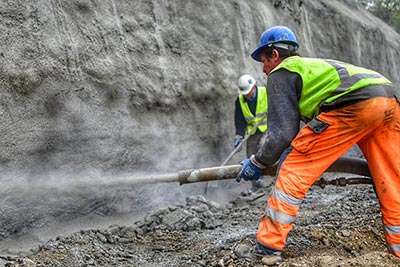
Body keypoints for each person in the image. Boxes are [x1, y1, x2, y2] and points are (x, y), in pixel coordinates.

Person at [238, 25, 400, 262]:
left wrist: (258, 161)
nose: (263, 70)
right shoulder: (314, 68)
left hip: (353, 106)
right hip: (388, 100)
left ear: (274, 54)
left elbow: (282, 135)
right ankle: (397, 252)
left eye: (264, 61)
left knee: (293, 167)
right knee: (391, 179)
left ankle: (267, 249)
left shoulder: (282, 72)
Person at [234, 74, 268, 193]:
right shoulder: (240, 100)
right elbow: (239, 121)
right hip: (252, 132)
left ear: (254, 87)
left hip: (268, 129)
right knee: (251, 157)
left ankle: (268, 180)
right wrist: (239, 136)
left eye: (248, 92)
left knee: (264, 147)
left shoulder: (266, 92)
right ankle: (256, 184)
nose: (246, 95)